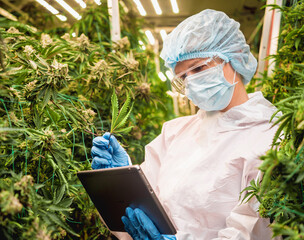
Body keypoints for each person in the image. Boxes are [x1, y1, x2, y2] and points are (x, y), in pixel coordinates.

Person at [90, 9, 280, 240]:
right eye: (182, 78)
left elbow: (254, 230)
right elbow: (138, 215)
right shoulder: (175, 132)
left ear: (234, 57)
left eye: (199, 68)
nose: (191, 82)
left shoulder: (271, 135)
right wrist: (118, 182)